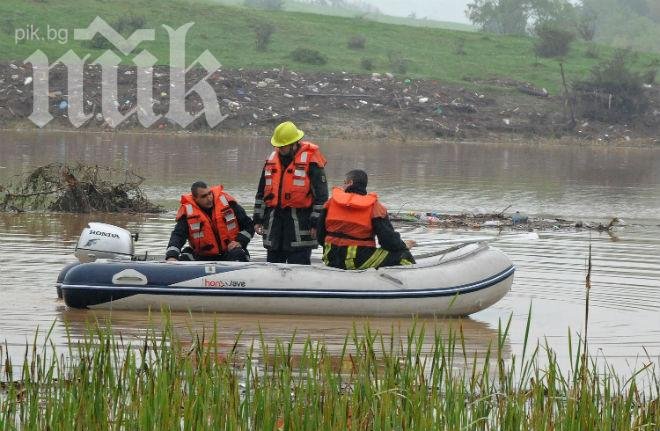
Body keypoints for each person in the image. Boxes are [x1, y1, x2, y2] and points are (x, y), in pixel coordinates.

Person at [253, 121, 329, 264]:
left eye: (283, 146)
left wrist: (316, 223)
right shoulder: (271, 161)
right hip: (275, 227)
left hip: (300, 226)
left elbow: (322, 197)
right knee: (273, 267)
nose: (280, 149)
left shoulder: (312, 162)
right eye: (278, 146)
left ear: (295, 143)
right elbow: (261, 193)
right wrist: (258, 219)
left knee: (299, 269)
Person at [317, 170, 416, 270]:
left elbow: (320, 236)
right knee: (404, 255)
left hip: (330, 258)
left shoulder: (331, 202)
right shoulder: (374, 206)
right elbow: (388, 240)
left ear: (350, 183)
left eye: (344, 182)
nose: (343, 186)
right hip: (357, 260)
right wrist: (404, 246)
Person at [166, 181, 254, 261]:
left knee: (239, 254)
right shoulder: (188, 213)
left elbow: (249, 226)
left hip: (229, 252)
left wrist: (240, 241)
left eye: (210, 194)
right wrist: (171, 256)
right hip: (203, 256)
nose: (209, 198)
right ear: (195, 198)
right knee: (185, 257)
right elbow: (178, 235)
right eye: (204, 196)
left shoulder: (228, 204)